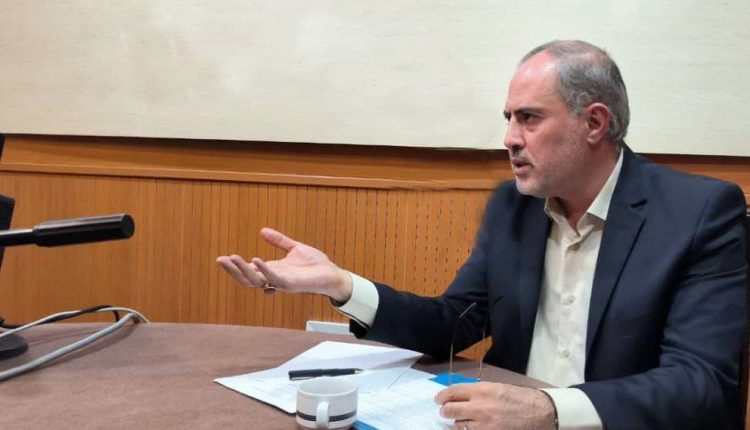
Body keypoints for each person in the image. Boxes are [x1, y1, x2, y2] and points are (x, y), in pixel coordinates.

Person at [217, 40, 748, 429]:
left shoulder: (700, 214)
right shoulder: (514, 209)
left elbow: (699, 383)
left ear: (594, 123)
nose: (509, 138)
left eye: (529, 119)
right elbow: (452, 324)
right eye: (509, 118)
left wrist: (549, 409)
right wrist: (340, 284)